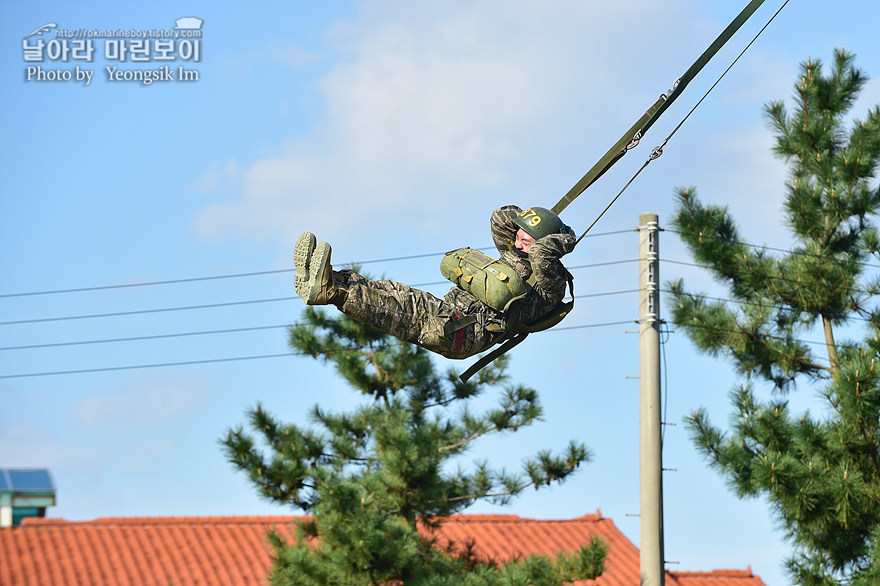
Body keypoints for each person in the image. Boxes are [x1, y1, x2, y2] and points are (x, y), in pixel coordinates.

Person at [293, 205, 576, 360]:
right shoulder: (513, 255)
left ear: (547, 244)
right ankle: (330, 281)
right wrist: (530, 221)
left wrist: (562, 238)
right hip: (452, 312)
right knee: (396, 293)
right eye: (518, 235)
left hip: (466, 332)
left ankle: (331, 292)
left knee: (404, 310)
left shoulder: (550, 284)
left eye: (526, 239)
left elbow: (541, 254)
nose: (517, 240)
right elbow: (501, 216)